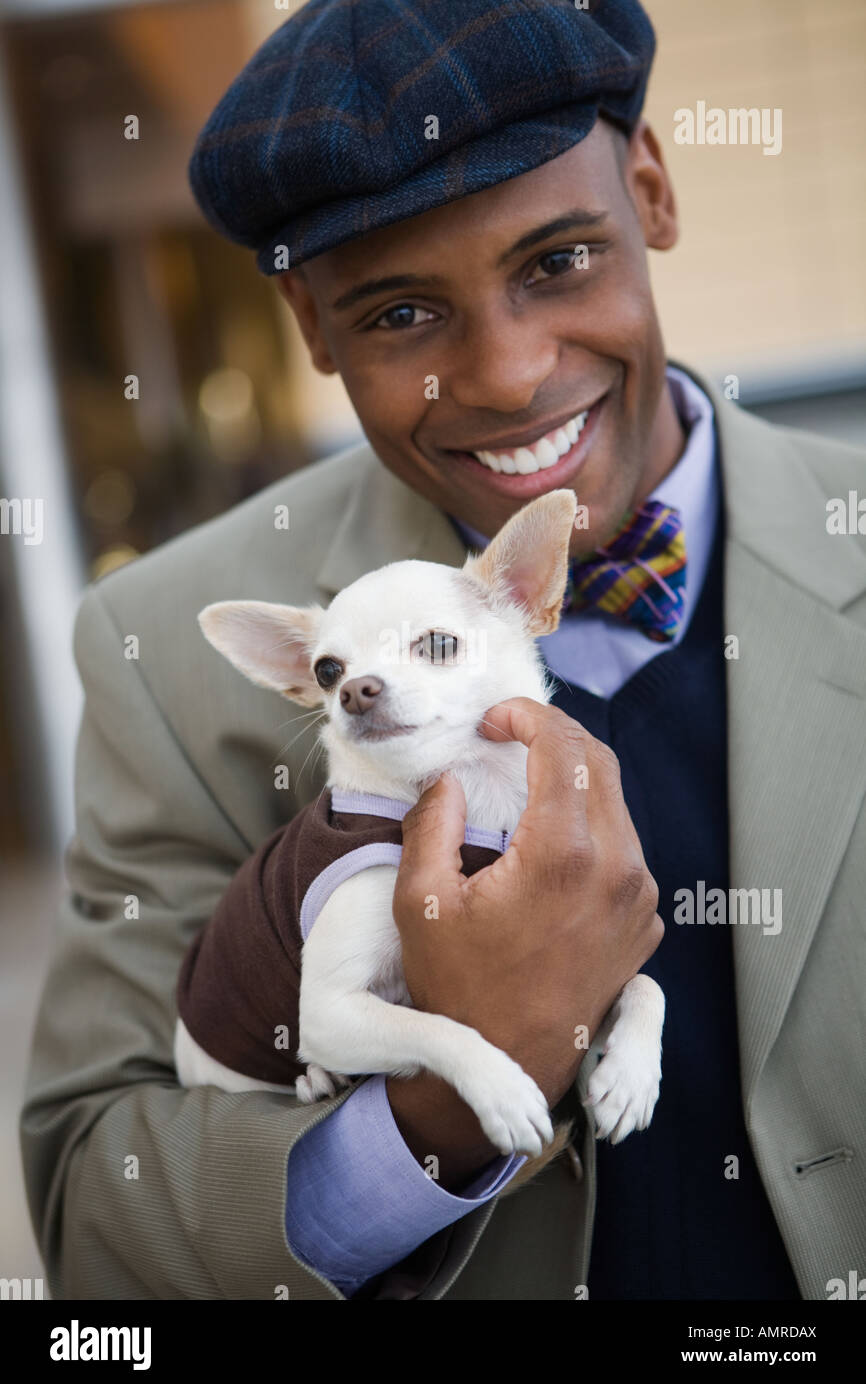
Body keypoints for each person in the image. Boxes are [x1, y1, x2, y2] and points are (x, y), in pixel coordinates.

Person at [20, 0, 866, 1301]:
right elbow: (96, 1212)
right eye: (402, 313)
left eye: (557, 261)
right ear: (310, 328)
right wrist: (444, 1098)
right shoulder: (164, 651)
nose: (510, 373)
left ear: (649, 187)